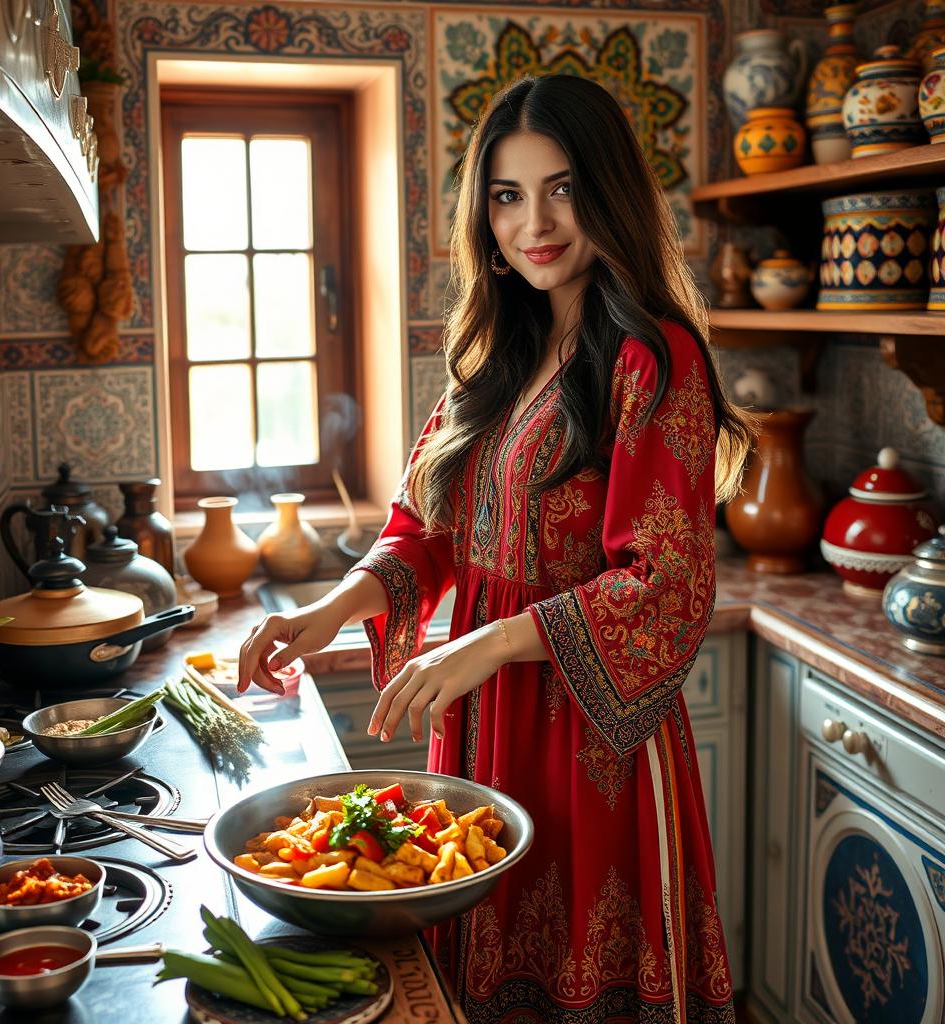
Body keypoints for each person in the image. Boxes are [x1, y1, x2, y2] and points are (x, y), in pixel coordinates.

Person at [238, 73, 754, 1023]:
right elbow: (425, 529)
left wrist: (485, 644)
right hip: (480, 724)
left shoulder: (653, 357)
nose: (535, 222)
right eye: (508, 196)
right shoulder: (496, 355)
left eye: (562, 188)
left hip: (593, 733)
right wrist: (325, 612)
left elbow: (665, 585)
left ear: (609, 192)